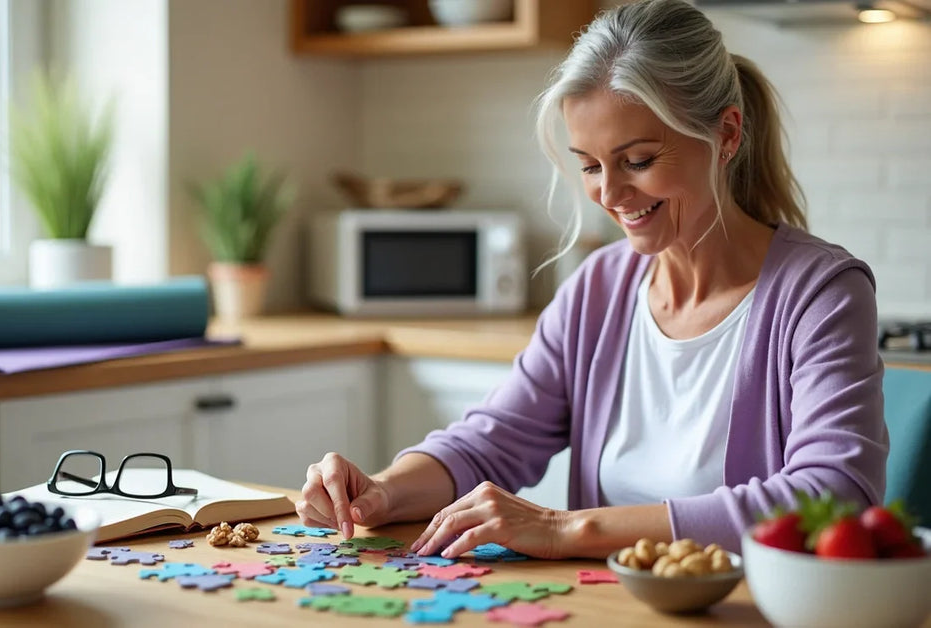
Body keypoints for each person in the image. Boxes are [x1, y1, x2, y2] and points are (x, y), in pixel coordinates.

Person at [296, 0, 888, 560]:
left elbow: (833, 496)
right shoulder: (599, 287)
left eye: (637, 161)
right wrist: (381, 490)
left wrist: (566, 527)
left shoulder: (819, 293)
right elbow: (493, 440)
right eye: (589, 165)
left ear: (726, 135)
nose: (610, 194)